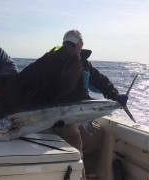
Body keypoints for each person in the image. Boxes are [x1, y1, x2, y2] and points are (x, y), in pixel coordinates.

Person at [40, 29, 128, 179]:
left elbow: (100, 81)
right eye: (66, 44)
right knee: (74, 138)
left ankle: (87, 172)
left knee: (99, 134)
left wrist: (116, 95)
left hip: (80, 113)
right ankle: (77, 176)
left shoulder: (85, 65)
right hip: (61, 117)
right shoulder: (55, 64)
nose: (68, 48)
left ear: (81, 45)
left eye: (72, 45)